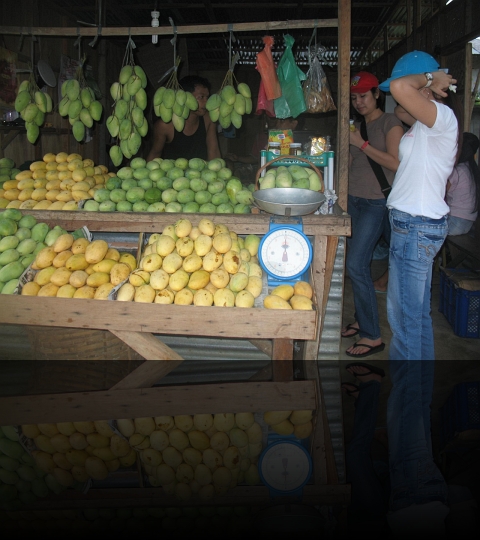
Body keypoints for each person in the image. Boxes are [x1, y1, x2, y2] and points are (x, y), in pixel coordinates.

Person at [378, 50, 462, 537]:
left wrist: (428, 79)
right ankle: (417, 400)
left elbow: (404, 89)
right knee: (412, 321)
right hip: (409, 224)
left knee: (408, 325)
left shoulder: (442, 116)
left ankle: (415, 487)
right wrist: (413, 84)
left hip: (416, 229)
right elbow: (397, 94)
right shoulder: (422, 122)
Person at [342, 71, 404, 358]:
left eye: (364, 96)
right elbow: (357, 161)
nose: (359, 102)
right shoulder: (358, 125)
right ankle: (360, 320)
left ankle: (372, 335)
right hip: (353, 200)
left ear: (377, 94)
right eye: (354, 98)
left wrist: (361, 145)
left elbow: (395, 162)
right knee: (356, 266)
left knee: (356, 265)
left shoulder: (390, 122)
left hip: (376, 203)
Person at [341, 361, 390, 537]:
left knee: (367, 466)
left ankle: (362, 402)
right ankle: (372, 385)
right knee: (355, 456)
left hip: (356, 518)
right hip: (373, 519)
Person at [146, 75, 221, 162]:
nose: (206, 102)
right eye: (201, 97)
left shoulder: (208, 119)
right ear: (185, 98)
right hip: (173, 173)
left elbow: (214, 151)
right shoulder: (165, 125)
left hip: (200, 173)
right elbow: (155, 153)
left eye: (207, 97)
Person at [446, 131, 479, 236]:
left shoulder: (457, 171)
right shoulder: (472, 170)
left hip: (455, 221)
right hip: (468, 223)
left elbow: (439, 193)